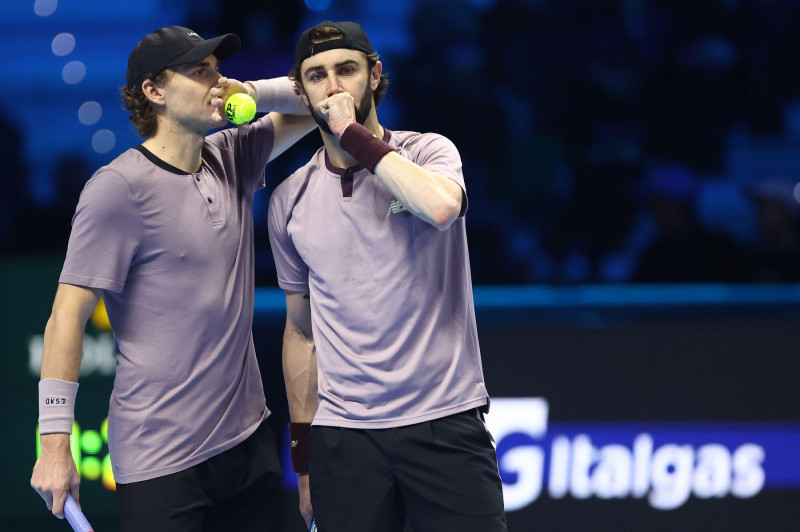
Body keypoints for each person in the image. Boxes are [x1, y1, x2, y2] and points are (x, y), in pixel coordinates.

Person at [29, 25, 315, 531]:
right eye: (199, 72)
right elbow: (65, 319)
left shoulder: (233, 154)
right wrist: (55, 446)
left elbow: (320, 94)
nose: (217, 83)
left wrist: (251, 92)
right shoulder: (116, 189)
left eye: (218, 70)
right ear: (154, 92)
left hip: (250, 441)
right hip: (162, 461)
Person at [268, 20, 507, 532]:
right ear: (302, 92)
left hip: (445, 421)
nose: (333, 86)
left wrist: (351, 134)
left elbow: (441, 208)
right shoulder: (288, 198)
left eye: (347, 70)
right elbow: (301, 331)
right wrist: (304, 460)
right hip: (345, 437)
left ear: (375, 76)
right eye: (316, 76)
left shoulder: (429, 152)